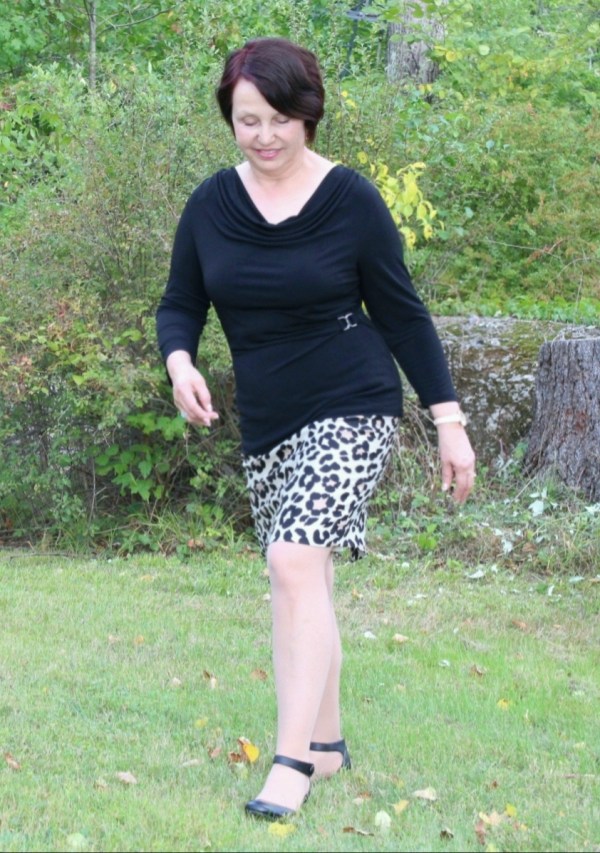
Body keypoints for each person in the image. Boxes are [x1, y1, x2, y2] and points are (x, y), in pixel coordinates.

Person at [156, 36, 476, 821]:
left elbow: (403, 315)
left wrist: (448, 420)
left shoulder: (350, 199)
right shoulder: (210, 204)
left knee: (293, 557)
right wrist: (180, 361)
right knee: (303, 577)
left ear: (308, 115)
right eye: (248, 120)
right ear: (230, 120)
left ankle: (291, 761)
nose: (264, 136)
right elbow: (181, 302)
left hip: (353, 399)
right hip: (269, 417)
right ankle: (327, 742)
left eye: (279, 119)